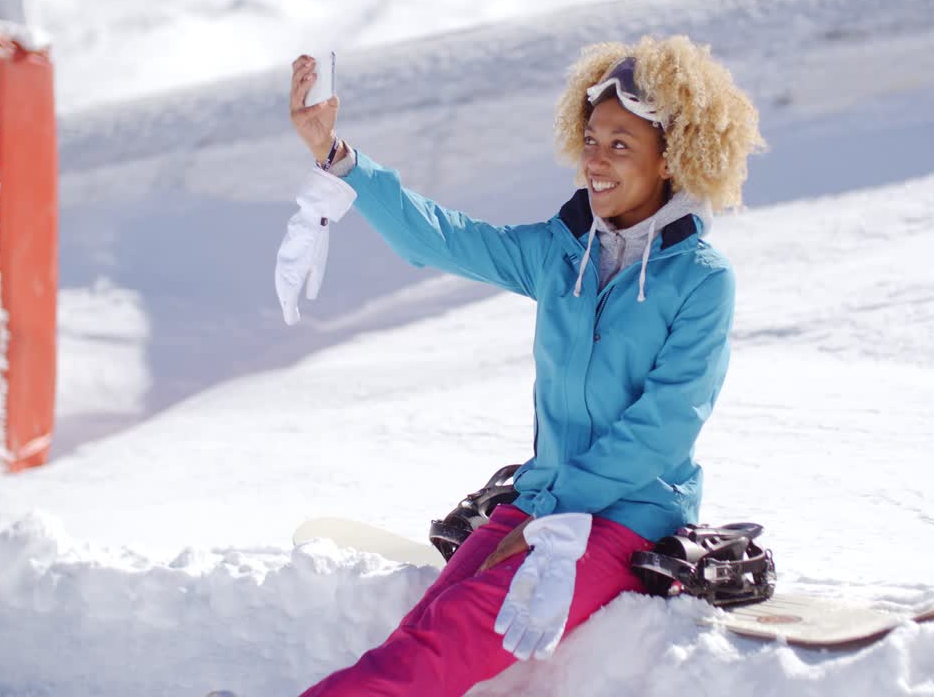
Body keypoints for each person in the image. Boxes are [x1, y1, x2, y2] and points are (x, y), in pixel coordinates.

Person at [281, 35, 764, 697]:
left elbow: (665, 426)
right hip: (542, 497)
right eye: (592, 139)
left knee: (449, 638)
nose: (597, 159)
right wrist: (339, 159)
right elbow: (441, 239)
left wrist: (557, 513)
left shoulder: (702, 280)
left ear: (673, 158)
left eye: (621, 145)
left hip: (628, 516)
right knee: (422, 630)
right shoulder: (561, 253)